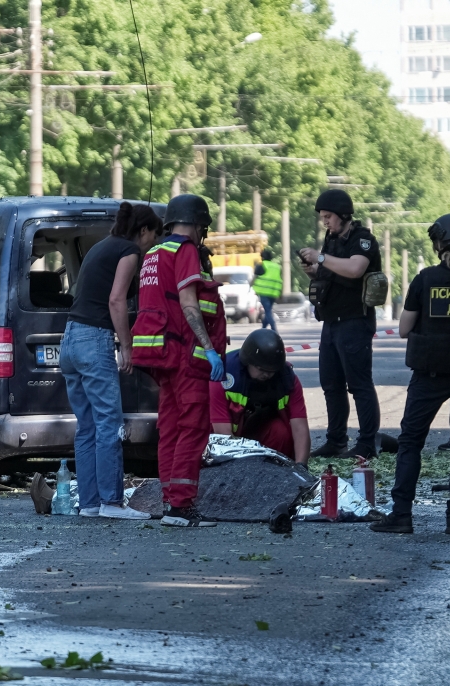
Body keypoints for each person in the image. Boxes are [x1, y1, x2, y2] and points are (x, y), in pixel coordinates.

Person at [369, 213, 450, 536]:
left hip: (430, 374)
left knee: (411, 442)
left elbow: (403, 329)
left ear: (439, 244)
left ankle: (401, 515)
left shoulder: (426, 279)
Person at [59, 202, 161, 520]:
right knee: (110, 424)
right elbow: (116, 299)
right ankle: (112, 502)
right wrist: (127, 346)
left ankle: (90, 503)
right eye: (153, 239)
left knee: (86, 426)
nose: (151, 246)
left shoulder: (100, 247)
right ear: (143, 231)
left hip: (70, 340)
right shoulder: (129, 250)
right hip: (94, 339)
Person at [130, 194, 227, 527]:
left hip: (159, 356)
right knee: (192, 428)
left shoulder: (153, 253)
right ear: (198, 225)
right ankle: (182, 507)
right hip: (185, 355)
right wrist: (209, 348)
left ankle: (171, 503)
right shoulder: (185, 251)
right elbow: (188, 303)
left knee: (169, 429)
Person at [298, 189, 382, 459]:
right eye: (323, 218)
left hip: (354, 321)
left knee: (359, 385)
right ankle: (336, 441)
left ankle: (367, 443)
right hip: (331, 322)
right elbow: (331, 270)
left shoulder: (363, 240)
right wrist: (313, 269)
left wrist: (320, 258)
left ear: (344, 215)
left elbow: (356, 269)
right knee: (331, 384)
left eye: (328, 217)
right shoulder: (331, 240)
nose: (325, 222)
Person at [210, 329, 311, 463]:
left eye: (272, 371)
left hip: (261, 431)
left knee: (280, 433)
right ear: (248, 361)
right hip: (224, 439)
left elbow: (300, 428)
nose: (267, 374)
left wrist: (301, 466)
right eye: (262, 369)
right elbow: (223, 434)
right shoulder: (223, 376)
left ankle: (276, 469)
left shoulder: (288, 381)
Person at [253, 249, 282, 331]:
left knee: (268, 311)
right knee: (268, 311)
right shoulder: (276, 266)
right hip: (273, 293)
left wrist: (250, 285)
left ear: (262, 257)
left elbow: (254, 278)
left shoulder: (261, 265)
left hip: (264, 292)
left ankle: (274, 329)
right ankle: (263, 328)